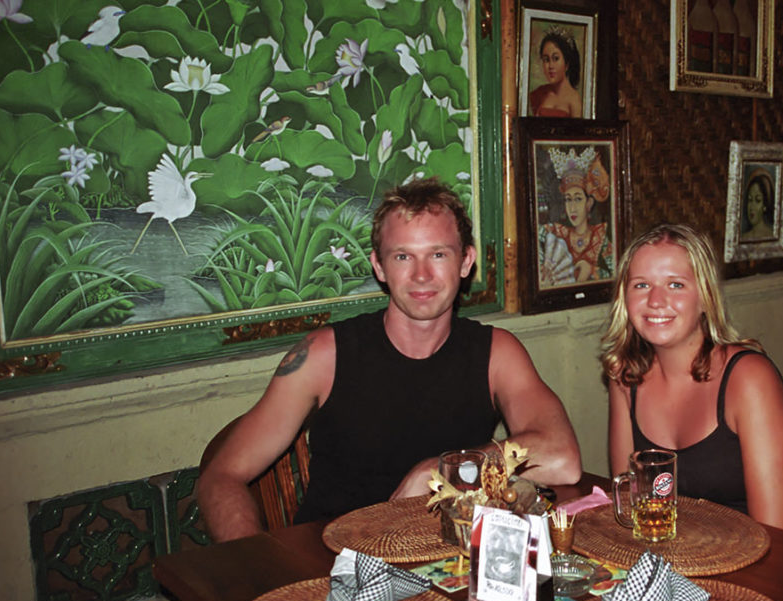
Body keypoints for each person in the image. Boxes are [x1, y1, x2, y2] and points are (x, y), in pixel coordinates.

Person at [198, 178, 582, 542]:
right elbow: (222, 476)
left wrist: (439, 471)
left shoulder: (496, 352)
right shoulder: (324, 355)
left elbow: (562, 458)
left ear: (466, 262)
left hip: (450, 561)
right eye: (402, 256)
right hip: (336, 565)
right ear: (379, 266)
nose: (421, 275)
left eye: (438, 254)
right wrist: (255, 576)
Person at [600, 223, 783, 545]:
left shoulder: (749, 378)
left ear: (705, 298)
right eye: (642, 285)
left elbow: (778, 535)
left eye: (675, 284)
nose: (656, 300)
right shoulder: (626, 376)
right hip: (696, 552)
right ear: (624, 298)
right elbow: (631, 506)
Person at [539, 146, 613, 286]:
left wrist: (591, 271)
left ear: (589, 203)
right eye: (568, 199)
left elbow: (617, 273)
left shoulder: (600, 236)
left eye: (578, 199)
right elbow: (533, 234)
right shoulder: (558, 232)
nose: (572, 208)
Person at [528, 28, 582, 118]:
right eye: (546, 60)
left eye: (556, 58)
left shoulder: (574, 100)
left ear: (567, 63)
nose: (550, 66)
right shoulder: (539, 93)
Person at [740, 170, 775, 241]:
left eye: (757, 201)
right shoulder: (743, 237)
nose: (752, 207)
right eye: (750, 200)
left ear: (765, 205)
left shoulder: (771, 236)